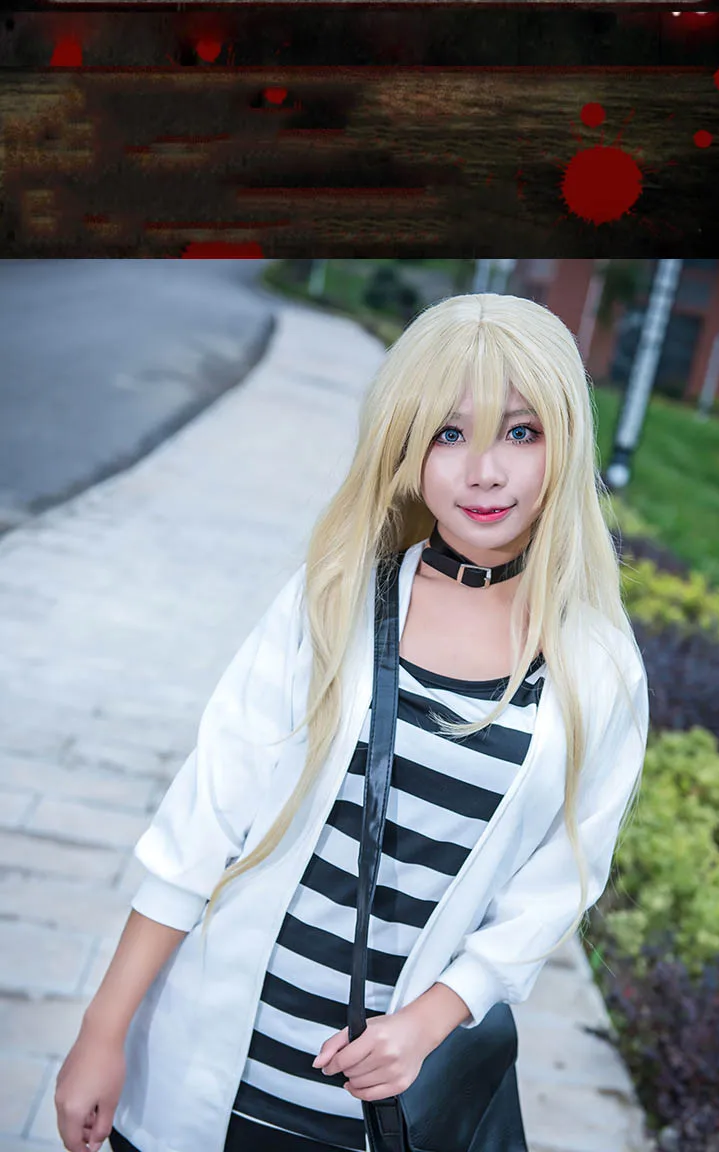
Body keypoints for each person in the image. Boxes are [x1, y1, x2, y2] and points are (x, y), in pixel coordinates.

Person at [55, 292, 649, 1152]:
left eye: (521, 432)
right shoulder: (334, 599)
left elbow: (554, 889)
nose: (485, 471)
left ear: (566, 441)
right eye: (449, 434)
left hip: (378, 1114)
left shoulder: (599, 670)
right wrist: (103, 1032)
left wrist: (430, 1020)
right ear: (405, 448)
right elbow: (203, 823)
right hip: (204, 1076)